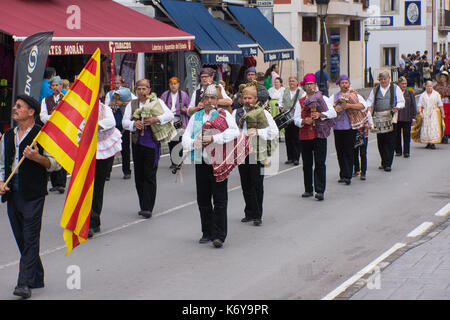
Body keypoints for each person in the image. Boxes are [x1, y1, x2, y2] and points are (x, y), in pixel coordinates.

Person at [0, 95, 61, 299]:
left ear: (31, 112)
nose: (14, 109)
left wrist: (37, 158)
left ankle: (24, 283)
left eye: (19, 106)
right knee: (21, 237)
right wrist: (1, 182)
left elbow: (55, 164)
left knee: (30, 235)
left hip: (33, 194)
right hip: (13, 193)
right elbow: (2, 164)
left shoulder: (43, 135)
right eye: (15, 106)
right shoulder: (8, 135)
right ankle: (37, 275)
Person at [182, 84, 239, 248]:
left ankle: (219, 235)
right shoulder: (196, 117)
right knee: (203, 200)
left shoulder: (224, 115)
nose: (209, 101)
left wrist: (214, 139)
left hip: (219, 162)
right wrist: (196, 142)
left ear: (217, 100)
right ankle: (206, 232)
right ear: (202, 100)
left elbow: (234, 132)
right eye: (206, 98)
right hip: (201, 162)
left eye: (212, 98)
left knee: (220, 200)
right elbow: (186, 138)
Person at [122, 79, 174, 219]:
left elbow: (169, 115)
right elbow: (125, 122)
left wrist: (156, 119)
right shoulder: (132, 104)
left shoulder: (156, 102)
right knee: (139, 175)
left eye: (144, 89)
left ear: (149, 90)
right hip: (137, 143)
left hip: (151, 143)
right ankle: (143, 205)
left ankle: (148, 207)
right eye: (139, 89)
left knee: (149, 174)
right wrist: (134, 124)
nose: (141, 91)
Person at [233, 82, 278, 226]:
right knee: (245, 183)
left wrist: (258, 131)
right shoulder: (236, 113)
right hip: (242, 152)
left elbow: (274, 131)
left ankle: (258, 214)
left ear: (256, 99)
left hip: (257, 152)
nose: (247, 101)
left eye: (250, 98)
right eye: (245, 98)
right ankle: (249, 212)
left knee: (257, 183)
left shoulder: (263, 113)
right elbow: (232, 131)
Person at [293, 74, 336, 201]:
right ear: (304, 87)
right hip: (305, 134)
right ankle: (308, 189)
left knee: (320, 162)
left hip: (319, 134)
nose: (310, 87)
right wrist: (303, 121)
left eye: (311, 84)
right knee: (307, 163)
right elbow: (295, 119)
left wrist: (320, 114)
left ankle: (320, 190)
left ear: (315, 85)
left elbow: (332, 112)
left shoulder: (323, 98)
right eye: (307, 84)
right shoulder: (300, 101)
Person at [88, 101, 122, 238]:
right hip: (82, 149)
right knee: (83, 187)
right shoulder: (77, 106)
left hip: (101, 149)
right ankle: (80, 220)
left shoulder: (104, 108)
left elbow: (110, 121)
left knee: (97, 186)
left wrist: (93, 126)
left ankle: (93, 222)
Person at [331, 75, 368, 185]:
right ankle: (342, 174)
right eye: (342, 83)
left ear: (349, 84)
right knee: (340, 151)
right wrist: (335, 109)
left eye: (346, 83)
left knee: (349, 151)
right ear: (339, 84)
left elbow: (363, 106)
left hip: (350, 127)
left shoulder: (354, 95)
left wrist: (348, 106)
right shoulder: (334, 97)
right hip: (337, 127)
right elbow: (329, 109)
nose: (344, 85)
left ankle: (348, 175)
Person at [366, 72, 405, 172]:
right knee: (381, 141)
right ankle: (383, 161)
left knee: (390, 141)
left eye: (385, 79)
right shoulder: (375, 90)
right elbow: (369, 101)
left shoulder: (395, 88)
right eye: (381, 79)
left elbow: (401, 101)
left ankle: (388, 163)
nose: (383, 81)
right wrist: (369, 107)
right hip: (378, 118)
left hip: (391, 117)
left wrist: (397, 107)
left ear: (389, 79)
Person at [105, 75, 136, 180]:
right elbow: (105, 107)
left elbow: (134, 102)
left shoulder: (128, 93)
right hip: (113, 124)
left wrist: (122, 103)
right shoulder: (109, 94)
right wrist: (111, 104)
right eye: (115, 83)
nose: (116, 85)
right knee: (110, 148)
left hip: (123, 123)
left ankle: (127, 171)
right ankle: (107, 173)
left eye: (118, 83)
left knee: (125, 148)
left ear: (122, 84)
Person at [39, 76, 67, 194]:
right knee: (50, 155)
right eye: (53, 85)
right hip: (50, 131)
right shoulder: (45, 100)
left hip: (63, 130)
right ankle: (53, 183)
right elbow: (43, 116)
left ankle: (61, 183)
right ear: (50, 87)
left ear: (61, 86)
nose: (55, 87)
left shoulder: (66, 99)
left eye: (57, 85)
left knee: (61, 155)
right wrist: (54, 118)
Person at [160, 77, 190, 168]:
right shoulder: (165, 95)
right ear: (169, 85)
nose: (173, 85)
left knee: (178, 142)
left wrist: (185, 110)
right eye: (171, 84)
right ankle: (173, 162)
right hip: (169, 121)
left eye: (175, 83)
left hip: (179, 119)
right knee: (170, 141)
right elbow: (160, 107)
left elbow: (189, 108)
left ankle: (178, 162)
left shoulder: (184, 95)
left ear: (178, 84)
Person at [280, 76, 305, 166]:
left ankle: (296, 158)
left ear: (297, 82)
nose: (291, 83)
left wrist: (298, 107)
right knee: (288, 138)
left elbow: (304, 103)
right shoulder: (284, 91)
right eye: (290, 81)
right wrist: (280, 107)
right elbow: (280, 102)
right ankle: (289, 157)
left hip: (295, 117)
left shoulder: (301, 93)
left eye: (293, 81)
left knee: (296, 138)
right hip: (286, 117)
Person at [415, 80, 446, 149]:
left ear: (432, 86)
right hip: (425, 112)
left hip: (434, 112)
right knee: (426, 127)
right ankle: (427, 142)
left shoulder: (436, 94)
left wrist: (443, 113)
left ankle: (433, 143)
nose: (429, 87)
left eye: (431, 86)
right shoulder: (423, 95)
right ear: (425, 86)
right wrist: (420, 112)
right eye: (428, 86)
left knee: (433, 127)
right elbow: (420, 104)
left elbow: (440, 104)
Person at [395, 77, 417, 158]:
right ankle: (398, 151)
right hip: (397, 118)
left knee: (407, 136)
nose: (404, 85)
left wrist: (414, 117)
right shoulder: (395, 93)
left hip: (407, 118)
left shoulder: (410, 93)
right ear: (398, 84)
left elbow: (413, 105)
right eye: (402, 84)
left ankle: (406, 152)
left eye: (405, 84)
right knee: (397, 135)